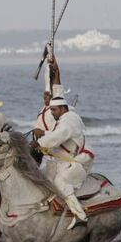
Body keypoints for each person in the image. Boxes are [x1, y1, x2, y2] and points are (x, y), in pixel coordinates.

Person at [35, 96, 93, 229]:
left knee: (60, 182)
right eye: (51, 110)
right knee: (42, 176)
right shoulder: (65, 119)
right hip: (64, 160)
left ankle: (80, 216)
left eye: (54, 110)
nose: (52, 112)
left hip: (79, 162)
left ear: (63, 108)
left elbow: (59, 135)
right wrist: (44, 132)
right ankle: (49, 206)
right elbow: (59, 133)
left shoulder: (69, 121)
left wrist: (38, 142)